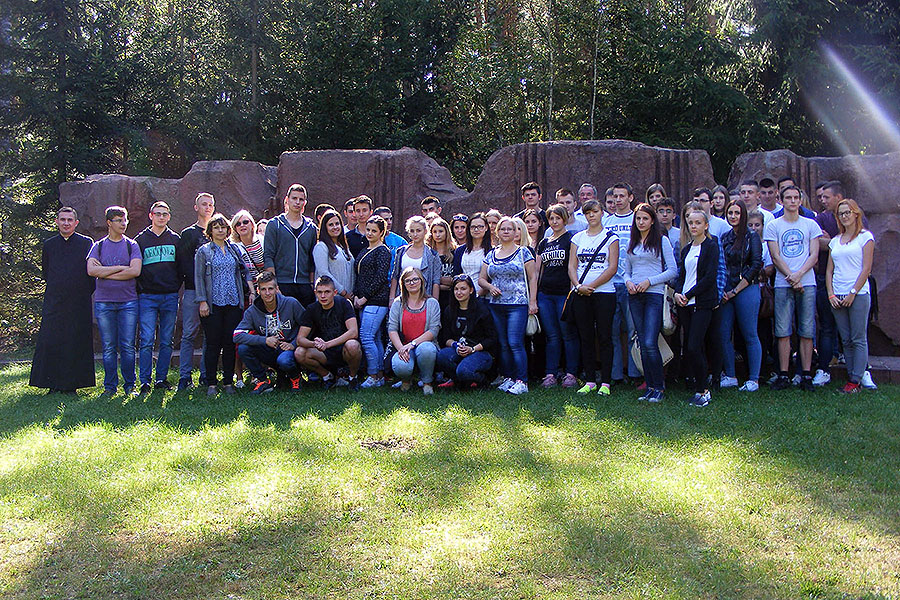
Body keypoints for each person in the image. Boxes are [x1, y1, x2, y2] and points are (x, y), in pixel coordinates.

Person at [29, 207, 96, 394]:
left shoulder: (86, 243)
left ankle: (72, 385)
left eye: (69, 220)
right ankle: (52, 384)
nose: (66, 223)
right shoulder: (49, 245)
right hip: (55, 301)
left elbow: (91, 275)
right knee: (51, 339)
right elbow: (47, 272)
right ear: (57, 222)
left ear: (76, 223)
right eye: (63, 219)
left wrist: (81, 292)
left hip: (79, 302)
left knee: (76, 340)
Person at [764, 185, 822, 391]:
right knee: (782, 330)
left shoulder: (810, 224)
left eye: (796, 197)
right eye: (788, 197)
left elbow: (814, 255)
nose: (792, 201)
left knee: (807, 329)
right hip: (783, 282)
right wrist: (791, 276)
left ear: (800, 200)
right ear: (781, 200)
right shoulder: (773, 225)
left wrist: (798, 275)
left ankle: (806, 374)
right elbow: (775, 256)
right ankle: (783, 374)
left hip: (807, 281)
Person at [624, 203, 677, 402]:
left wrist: (650, 281)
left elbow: (672, 270)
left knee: (650, 342)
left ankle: (659, 388)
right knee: (642, 343)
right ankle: (650, 387)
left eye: (645, 218)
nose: (641, 222)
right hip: (635, 295)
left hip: (653, 295)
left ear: (652, 221)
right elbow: (626, 270)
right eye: (638, 218)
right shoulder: (632, 242)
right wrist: (629, 282)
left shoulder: (662, 241)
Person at [195, 213, 253, 395]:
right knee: (213, 343)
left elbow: (245, 271)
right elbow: (199, 278)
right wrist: (202, 301)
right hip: (212, 304)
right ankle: (211, 383)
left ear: (228, 230)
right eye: (216, 227)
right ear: (210, 231)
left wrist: (251, 291)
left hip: (233, 303)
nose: (220, 230)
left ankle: (228, 382)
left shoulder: (234, 249)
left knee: (229, 343)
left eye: (223, 227)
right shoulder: (204, 251)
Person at [479, 216, 538, 395]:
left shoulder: (523, 252)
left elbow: (532, 277)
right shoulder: (491, 254)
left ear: (515, 232)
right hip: (496, 305)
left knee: (515, 342)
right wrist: (490, 287)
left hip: (518, 304)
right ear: (497, 232)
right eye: (503, 229)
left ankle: (522, 381)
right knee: (503, 344)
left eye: (510, 229)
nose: (506, 232)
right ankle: (509, 377)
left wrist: (532, 301)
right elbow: (481, 279)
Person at [87, 206, 142, 396]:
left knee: (127, 346)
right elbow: (91, 270)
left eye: (125, 219)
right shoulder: (98, 246)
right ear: (109, 223)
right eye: (119, 220)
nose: (123, 223)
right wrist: (121, 268)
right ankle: (110, 387)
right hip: (104, 302)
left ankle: (130, 386)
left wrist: (105, 272)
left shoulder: (132, 245)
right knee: (109, 347)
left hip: (128, 302)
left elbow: (135, 271)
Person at [567, 199, 619, 395]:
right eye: (588, 213)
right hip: (581, 293)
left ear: (602, 213)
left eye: (595, 212)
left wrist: (592, 286)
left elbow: (612, 267)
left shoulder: (611, 237)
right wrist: (578, 286)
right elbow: (572, 266)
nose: (591, 216)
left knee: (605, 337)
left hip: (604, 293)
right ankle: (590, 380)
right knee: (585, 336)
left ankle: (605, 382)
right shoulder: (577, 238)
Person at [826, 199, 875, 393]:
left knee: (858, 338)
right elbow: (829, 270)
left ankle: (856, 379)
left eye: (848, 212)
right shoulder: (835, 241)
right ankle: (851, 377)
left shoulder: (865, 237)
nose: (844, 216)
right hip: (837, 294)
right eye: (841, 213)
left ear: (856, 214)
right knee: (845, 339)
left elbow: (866, 269)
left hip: (858, 293)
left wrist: (853, 293)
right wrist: (831, 294)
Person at [674, 210, 720, 407]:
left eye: (698, 223)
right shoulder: (686, 249)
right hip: (685, 303)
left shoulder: (711, 246)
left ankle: (704, 390)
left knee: (694, 346)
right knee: (691, 347)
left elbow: (709, 277)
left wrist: (689, 294)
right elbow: (682, 275)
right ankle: (699, 388)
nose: (693, 226)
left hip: (702, 303)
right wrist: (678, 293)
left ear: (705, 225)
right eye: (691, 223)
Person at [135, 201, 181, 393]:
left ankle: (161, 378)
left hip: (170, 296)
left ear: (169, 217)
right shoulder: (140, 240)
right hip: (147, 297)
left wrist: (174, 286)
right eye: (158, 214)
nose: (161, 217)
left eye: (164, 214)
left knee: (166, 340)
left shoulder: (176, 239)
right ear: (151, 216)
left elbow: (181, 267)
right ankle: (145, 381)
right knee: (146, 339)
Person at [233, 271, 305, 393]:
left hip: (289, 349)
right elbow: (237, 335)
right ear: (258, 291)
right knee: (243, 349)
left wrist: (293, 343)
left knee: (284, 361)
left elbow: (308, 325)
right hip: (268, 349)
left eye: (270, 289)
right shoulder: (252, 311)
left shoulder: (291, 303)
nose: (267, 293)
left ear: (277, 289)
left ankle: (295, 377)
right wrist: (264, 340)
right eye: (263, 289)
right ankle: (263, 381)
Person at [718, 199, 763, 391]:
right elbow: (720, 264)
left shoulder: (752, 236)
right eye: (730, 213)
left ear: (743, 214)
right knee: (723, 333)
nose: (733, 216)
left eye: (737, 213)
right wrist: (724, 290)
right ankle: (730, 375)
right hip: (726, 290)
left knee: (750, 333)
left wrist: (736, 290)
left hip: (747, 288)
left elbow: (756, 265)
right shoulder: (724, 237)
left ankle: (754, 379)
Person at [536, 203, 580, 388]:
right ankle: (550, 374)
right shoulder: (544, 242)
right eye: (551, 218)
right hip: (545, 295)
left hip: (564, 294)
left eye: (558, 218)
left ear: (565, 219)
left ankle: (571, 374)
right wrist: (534, 296)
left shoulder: (571, 239)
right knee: (551, 335)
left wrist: (572, 294)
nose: (554, 222)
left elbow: (573, 267)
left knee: (568, 334)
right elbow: (537, 271)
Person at [177, 192, 216, 391]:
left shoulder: (218, 232)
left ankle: (206, 375)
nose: (207, 207)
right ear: (196, 207)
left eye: (210, 205)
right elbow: (184, 264)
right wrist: (199, 288)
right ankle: (184, 377)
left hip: (214, 293)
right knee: (189, 334)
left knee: (210, 335)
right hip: (193, 291)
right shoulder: (189, 234)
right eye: (204, 204)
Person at [295, 275, 362, 389]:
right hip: (323, 352)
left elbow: (353, 332)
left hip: (344, 349)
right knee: (299, 353)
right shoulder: (311, 309)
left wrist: (327, 344)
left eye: (327, 292)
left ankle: (352, 378)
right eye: (319, 292)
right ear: (315, 293)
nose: (323, 296)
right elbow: (300, 339)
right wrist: (315, 344)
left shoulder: (344, 303)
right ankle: (327, 376)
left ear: (334, 292)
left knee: (353, 345)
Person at [604, 182, 641, 384]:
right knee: (612, 331)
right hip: (610, 283)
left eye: (622, 196)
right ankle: (616, 375)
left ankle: (635, 373)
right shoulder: (606, 222)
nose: (618, 200)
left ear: (630, 197)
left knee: (633, 331)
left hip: (632, 284)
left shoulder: (638, 219)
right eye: (615, 196)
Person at [436, 275, 497, 388]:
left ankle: (482, 380)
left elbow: (491, 339)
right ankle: (460, 380)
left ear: (471, 290)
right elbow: (446, 338)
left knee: (464, 371)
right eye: (456, 289)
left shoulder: (481, 310)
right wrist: (456, 346)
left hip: (480, 352)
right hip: (459, 350)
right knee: (441, 356)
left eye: (463, 289)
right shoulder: (449, 310)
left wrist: (472, 349)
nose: (459, 292)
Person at [388, 267, 441, 394]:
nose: (412, 283)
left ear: (422, 281)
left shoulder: (432, 303)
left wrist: (412, 344)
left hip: (425, 345)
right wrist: (401, 348)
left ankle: (427, 382)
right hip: (404, 346)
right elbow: (392, 329)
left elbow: (433, 330)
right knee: (401, 366)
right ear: (403, 284)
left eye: (415, 279)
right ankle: (406, 380)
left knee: (426, 349)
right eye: (408, 281)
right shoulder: (398, 303)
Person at [354, 216, 393, 388]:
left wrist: (365, 297)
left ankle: (372, 375)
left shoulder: (383, 251)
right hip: (363, 301)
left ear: (381, 232)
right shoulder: (365, 250)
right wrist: (356, 295)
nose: (370, 233)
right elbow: (359, 276)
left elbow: (380, 278)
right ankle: (379, 375)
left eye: (374, 231)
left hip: (376, 301)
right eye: (368, 230)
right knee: (375, 337)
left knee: (366, 337)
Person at [264, 183, 318, 306]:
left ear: (305, 203)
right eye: (294, 198)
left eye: (301, 199)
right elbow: (268, 256)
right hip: (282, 283)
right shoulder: (275, 224)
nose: (297, 202)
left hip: (304, 284)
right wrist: (274, 284)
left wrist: (311, 285)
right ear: (287, 200)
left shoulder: (311, 228)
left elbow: (312, 259)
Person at [390, 215, 442, 301]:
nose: (415, 234)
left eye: (418, 230)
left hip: (424, 299)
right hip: (402, 298)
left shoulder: (432, 255)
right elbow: (395, 276)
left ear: (425, 231)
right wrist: (391, 298)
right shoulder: (401, 251)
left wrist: (434, 302)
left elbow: (435, 281)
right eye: (412, 231)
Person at [312, 210, 355, 300]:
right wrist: (342, 291)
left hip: (347, 299)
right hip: (331, 299)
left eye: (337, 224)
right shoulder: (321, 247)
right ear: (325, 228)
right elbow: (323, 273)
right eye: (331, 225)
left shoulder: (343, 247)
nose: (335, 227)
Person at [453, 212, 492, 295]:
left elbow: (491, 278)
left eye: (480, 227)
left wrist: (478, 295)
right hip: (463, 296)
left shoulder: (492, 251)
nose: (476, 230)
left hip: (485, 296)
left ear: (486, 228)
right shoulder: (460, 250)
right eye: (473, 227)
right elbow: (456, 275)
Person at [427, 217, 457, 308]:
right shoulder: (428, 252)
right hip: (430, 295)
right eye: (435, 232)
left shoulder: (455, 252)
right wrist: (441, 285)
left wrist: (436, 281)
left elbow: (455, 279)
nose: (437, 235)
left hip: (451, 297)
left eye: (440, 231)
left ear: (446, 232)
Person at [231, 210, 265, 281]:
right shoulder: (234, 247)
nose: (242, 225)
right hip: (247, 286)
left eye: (245, 222)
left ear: (252, 224)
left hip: (265, 285)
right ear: (235, 228)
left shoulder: (263, 241)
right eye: (238, 224)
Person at [373, 205, 408, 272]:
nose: (389, 222)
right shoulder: (369, 240)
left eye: (391, 219)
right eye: (386, 219)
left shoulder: (400, 241)